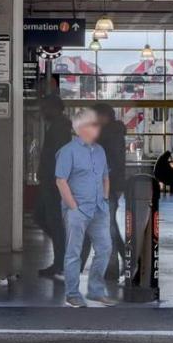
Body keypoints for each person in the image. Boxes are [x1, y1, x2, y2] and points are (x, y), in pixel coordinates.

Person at [54, 108, 117, 307]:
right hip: (78, 211)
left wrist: (105, 200)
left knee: (105, 249)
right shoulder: (67, 151)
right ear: (80, 128)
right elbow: (60, 181)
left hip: (99, 209)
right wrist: (73, 207)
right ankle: (72, 294)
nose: (97, 128)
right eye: (93, 124)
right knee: (74, 253)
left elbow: (105, 177)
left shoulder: (100, 151)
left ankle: (95, 291)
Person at [36, 94, 73, 279]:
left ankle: (61, 259)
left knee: (51, 220)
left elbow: (58, 156)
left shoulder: (59, 127)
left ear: (54, 108)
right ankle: (61, 256)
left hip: (54, 183)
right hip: (52, 181)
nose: (42, 111)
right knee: (45, 218)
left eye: (45, 108)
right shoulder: (58, 126)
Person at [92, 103, 127, 282]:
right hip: (112, 185)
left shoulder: (108, 135)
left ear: (105, 116)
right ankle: (128, 260)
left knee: (108, 228)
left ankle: (111, 269)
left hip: (107, 186)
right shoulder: (114, 133)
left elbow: (109, 162)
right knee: (110, 225)